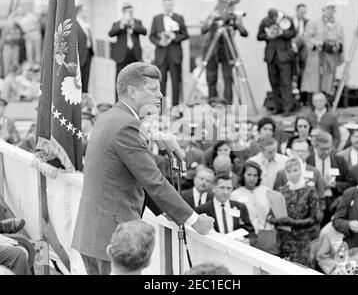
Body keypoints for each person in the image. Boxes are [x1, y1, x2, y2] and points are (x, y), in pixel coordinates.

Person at [72, 63, 214, 275]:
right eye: (153, 89)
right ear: (132, 91)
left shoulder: (110, 117)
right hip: (112, 237)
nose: (160, 95)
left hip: (95, 234)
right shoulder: (127, 126)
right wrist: (194, 219)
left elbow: (131, 174)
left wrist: (164, 210)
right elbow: (153, 180)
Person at [268, 157, 320, 267]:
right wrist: (278, 221)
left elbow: (314, 218)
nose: (292, 174)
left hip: (302, 242)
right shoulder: (281, 191)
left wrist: (292, 222)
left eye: (295, 170)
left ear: (301, 170)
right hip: (283, 241)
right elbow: (270, 216)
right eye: (289, 171)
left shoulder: (310, 191)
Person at [201, 8, 248, 105]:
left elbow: (244, 33)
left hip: (227, 50)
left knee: (228, 79)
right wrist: (211, 18)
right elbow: (203, 30)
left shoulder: (231, 20)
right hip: (212, 50)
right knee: (211, 78)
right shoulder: (213, 17)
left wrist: (238, 22)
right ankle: (212, 103)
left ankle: (227, 105)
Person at [301, 1, 344, 103]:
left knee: (328, 81)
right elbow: (307, 37)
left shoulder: (338, 25)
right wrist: (316, 43)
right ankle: (313, 104)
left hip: (330, 57)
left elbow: (341, 40)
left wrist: (338, 49)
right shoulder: (314, 23)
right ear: (323, 10)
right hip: (316, 57)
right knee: (314, 82)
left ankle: (327, 102)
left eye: (332, 9)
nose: (331, 11)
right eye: (328, 9)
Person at [150, 0, 189, 106]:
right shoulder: (156, 18)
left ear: (173, 5)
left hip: (175, 55)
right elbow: (152, 36)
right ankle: (162, 110)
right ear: (163, 5)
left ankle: (175, 109)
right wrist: (159, 42)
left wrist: (174, 37)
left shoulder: (179, 18)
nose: (168, 7)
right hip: (161, 55)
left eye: (170, 5)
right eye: (167, 5)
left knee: (176, 83)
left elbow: (185, 35)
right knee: (161, 84)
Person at [306, 131, 351, 226]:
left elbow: (350, 183)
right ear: (316, 147)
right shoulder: (308, 161)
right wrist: (318, 184)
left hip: (333, 202)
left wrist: (334, 185)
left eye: (328, 148)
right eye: (322, 149)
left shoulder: (339, 161)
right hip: (313, 202)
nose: (326, 152)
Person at [257, 9, 297, 116]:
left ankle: (287, 108)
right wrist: (268, 36)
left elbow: (293, 33)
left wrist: (281, 33)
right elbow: (259, 36)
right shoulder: (265, 21)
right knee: (274, 83)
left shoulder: (287, 19)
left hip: (284, 56)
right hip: (271, 56)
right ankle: (278, 107)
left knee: (286, 83)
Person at [196, 175, 256, 244]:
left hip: (236, 249)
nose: (225, 192)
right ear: (213, 188)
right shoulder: (202, 209)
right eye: (222, 188)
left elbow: (251, 232)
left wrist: (248, 241)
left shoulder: (240, 207)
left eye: (229, 188)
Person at [273, 138, 325, 217]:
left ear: (308, 153)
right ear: (291, 152)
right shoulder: (282, 173)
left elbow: (321, 197)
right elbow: (276, 196)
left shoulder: (315, 172)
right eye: (297, 151)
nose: (300, 153)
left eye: (303, 151)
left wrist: (318, 215)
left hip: (310, 217)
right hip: (287, 217)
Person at [109, 3, 147, 101]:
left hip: (135, 55)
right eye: (127, 12)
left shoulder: (137, 22)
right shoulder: (118, 23)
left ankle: (134, 102)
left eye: (131, 12)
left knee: (135, 80)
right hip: (122, 56)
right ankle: (118, 103)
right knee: (120, 80)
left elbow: (144, 31)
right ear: (123, 12)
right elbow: (111, 33)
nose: (129, 14)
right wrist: (122, 24)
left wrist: (133, 25)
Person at [231, 161, 271, 234]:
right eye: (249, 175)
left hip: (266, 233)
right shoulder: (234, 195)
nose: (252, 178)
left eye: (255, 175)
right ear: (243, 175)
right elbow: (234, 219)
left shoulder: (266, 191)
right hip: (246, 234)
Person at [292, 4, 309, 105]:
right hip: (291, 51)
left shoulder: (307, 22)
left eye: (304, 12)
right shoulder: (289, 21)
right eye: (301, 12)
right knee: (292, 75)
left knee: (302, 74)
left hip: (303, 52)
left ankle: (303, 97)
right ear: (297, 11)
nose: (303, 14)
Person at [76, 5, 95, 93]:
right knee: (79, 80)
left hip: (87, 54)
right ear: (79, 12)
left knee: (86, 79)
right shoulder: (75, 24)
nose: (87, 13)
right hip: (79, 55)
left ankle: (85, 99)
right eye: (85, 11)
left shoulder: (85, 24)